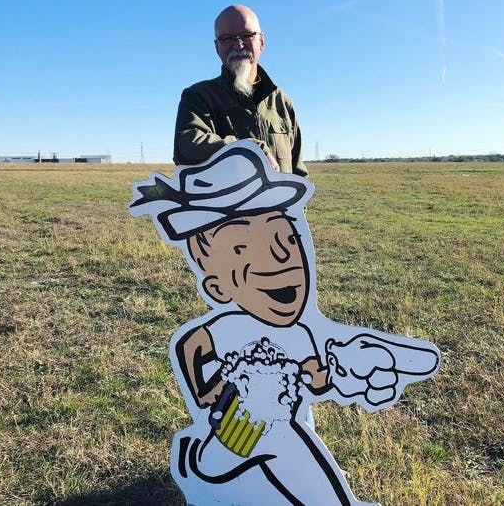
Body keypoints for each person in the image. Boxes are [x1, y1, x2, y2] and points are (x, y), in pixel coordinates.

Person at [130, 142, 440, 506]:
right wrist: (205, 391)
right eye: (244, 248)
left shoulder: (301, 334)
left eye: (287, 239)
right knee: (244, 456)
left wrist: (341, 373)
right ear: (216, 285)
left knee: (285, 441)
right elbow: (190, 346)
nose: (279, 256)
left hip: (274, 428)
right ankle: (193, 459)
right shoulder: (228, 326)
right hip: (230, 438)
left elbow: (315, 377)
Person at [173, 4, 308, 177]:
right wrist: (250, 150)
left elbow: (298, 174)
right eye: (227, 38)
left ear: (261, 41)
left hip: (279, 205)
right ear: (217, 47)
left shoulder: (282, 102)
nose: (238, 45)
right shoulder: (199, 97)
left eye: (246, 35)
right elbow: (185, 147)